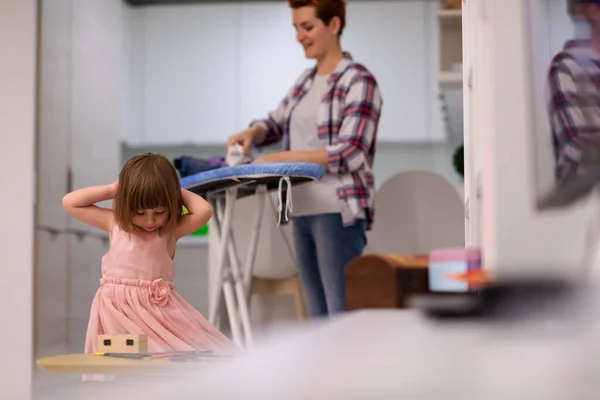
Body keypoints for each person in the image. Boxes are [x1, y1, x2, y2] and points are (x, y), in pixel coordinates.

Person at [226, 0, 383, 317]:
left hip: (337, 210)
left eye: (307, 27)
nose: (299, 36)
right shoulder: (305, 82)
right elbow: (275, 123)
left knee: (340, 315)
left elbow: (350, 152)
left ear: (334, 25)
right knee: (317, 316)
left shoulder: (359, 81)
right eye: (296, 28)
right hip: (302, 208)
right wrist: (252, 133)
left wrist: (281, 160)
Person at [62, 154, 235, 364]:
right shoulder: (115, 223)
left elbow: (204, 210)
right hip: (116, 311)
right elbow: (70, 202)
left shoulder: (170, 230)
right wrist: (113, 189)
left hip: (158, 314)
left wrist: (171, 190)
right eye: (141, 212)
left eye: (159, 211)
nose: (150, 220)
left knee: (166, 360)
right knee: (119, 363)